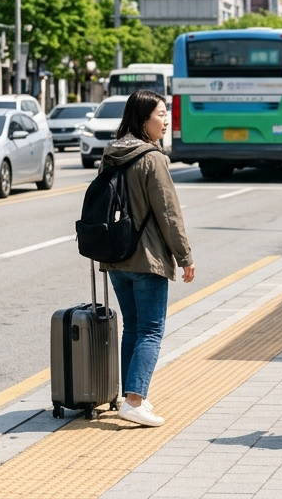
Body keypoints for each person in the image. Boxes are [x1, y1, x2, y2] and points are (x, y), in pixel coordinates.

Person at [99, 89, 194, 428]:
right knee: (151, 330)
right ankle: (134, 401)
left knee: (133, 327)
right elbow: (168, 213)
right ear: (143, 119)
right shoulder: (152, 159)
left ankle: (131, 396)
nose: (165, 121)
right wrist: (185, 256)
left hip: (116, 257)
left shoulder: (112, 154)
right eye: (160, 114)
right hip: (147, 259)